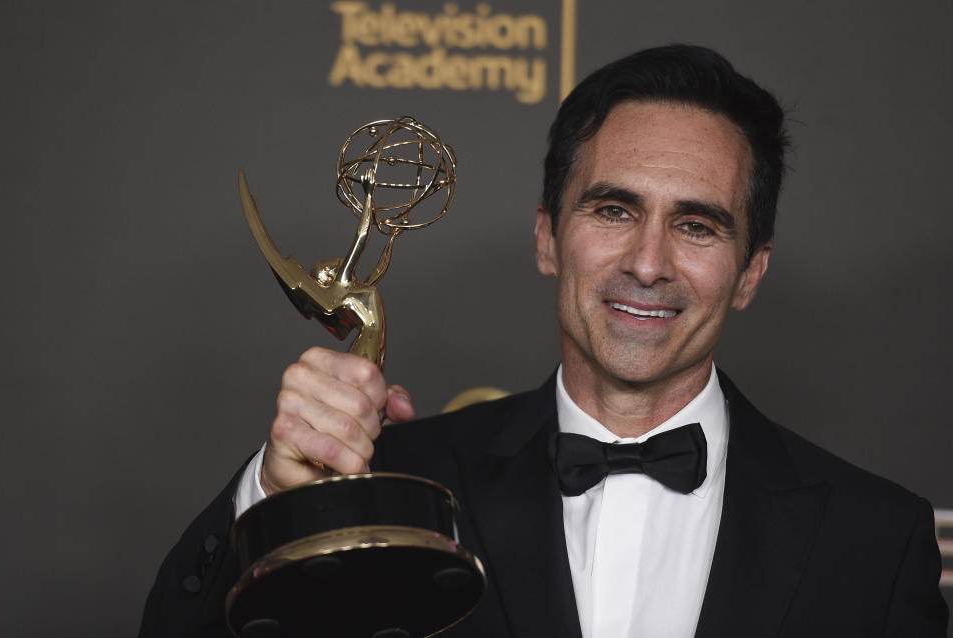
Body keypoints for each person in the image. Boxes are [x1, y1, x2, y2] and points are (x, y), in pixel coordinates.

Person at [140, 45, 948, 637]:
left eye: (697, 226)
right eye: (612, 210)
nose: (647, 263)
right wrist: (277, 497)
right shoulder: (395, 487)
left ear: (749, 272)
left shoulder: (876, 539)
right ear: (548, 239)